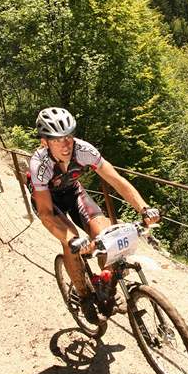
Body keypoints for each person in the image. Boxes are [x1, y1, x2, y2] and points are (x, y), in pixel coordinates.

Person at [27, 107, 160, 323]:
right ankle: (84, 296)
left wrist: (144, 208)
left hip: (73, 192)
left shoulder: (84, 150)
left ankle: (105, 283)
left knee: (107, 235)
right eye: (58, 139)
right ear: (44, 142)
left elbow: (116, 180)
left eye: (69, 136)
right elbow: (45, 212)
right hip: (49, 203)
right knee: (71, 243)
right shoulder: (39, 165)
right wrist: (73, 240)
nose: (66, 144)